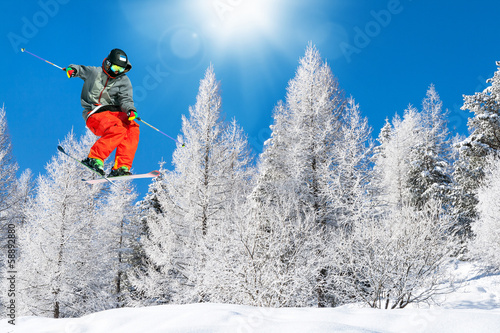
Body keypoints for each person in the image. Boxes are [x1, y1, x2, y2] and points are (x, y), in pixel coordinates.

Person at [65, 48, 139, 177]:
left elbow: (126, 98)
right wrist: (73, 70)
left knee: (132, 128)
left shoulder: (123, 80)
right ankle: (95, 158)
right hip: (95, 113)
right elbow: (79, 69)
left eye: (120, 69)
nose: (117, 72)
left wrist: (130, 110)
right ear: (109, 63)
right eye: (116, 67)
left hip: (114, 113)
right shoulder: (94, 72)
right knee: (118, 128)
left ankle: (121, 167)